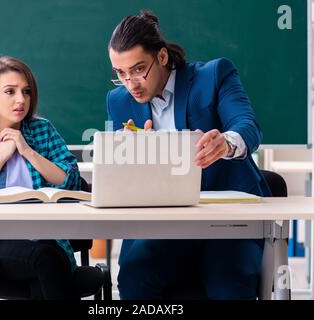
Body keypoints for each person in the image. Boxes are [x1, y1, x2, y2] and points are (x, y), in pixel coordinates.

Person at [107, 11, 272, 300]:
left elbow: (248, 126)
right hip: (166, 226)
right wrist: (139, 158)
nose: (131, 83)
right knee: (134, 278)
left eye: (138, 69)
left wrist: (226, 143)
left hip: (228, 222)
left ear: (161, 57)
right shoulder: (119, 101)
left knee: (228, 288)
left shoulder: (213, 75)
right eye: (121, 74)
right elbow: (125, 174)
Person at [0, 56, 81, 300]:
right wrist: (1, 156)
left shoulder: (42, 130)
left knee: (45, 266)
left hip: (47, 237)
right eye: (10, 91)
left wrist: (28, 151)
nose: (21, 99)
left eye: (26, 91)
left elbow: (71, 179)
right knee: (46, 261)